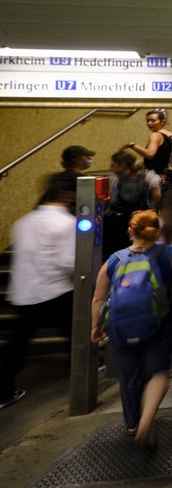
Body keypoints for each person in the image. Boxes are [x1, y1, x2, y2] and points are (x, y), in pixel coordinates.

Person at [91, 210, 172, 445]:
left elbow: (98, 298)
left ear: (130, 230)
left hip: (121, 325)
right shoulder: (169, 255)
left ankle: (133, 424)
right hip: (162, 322)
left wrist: (96, 324)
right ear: (157, 231)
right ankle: (147, 419)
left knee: (129, 375)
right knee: (158, 371)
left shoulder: (114, 260)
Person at [0, 174, 77, 411]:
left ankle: (3, 390)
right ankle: (80, 366)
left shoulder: (25, 221)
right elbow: (68, 261)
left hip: (23, 291)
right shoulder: (66, 222)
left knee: (18, 342)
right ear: (69, 194)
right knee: (75, 329)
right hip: (55, 290)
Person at [104, 150, 156, 259]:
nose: (111, 166)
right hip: (138, 219)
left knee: (117, 253)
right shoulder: (146, 176)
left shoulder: (114, 179)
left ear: (122, 164)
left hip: (118, 222)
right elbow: (157, 196)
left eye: (114, 163)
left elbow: (109, 200)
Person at [126, 109, 172, 190]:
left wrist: (132, 145)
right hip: (168, 177)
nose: (149, 123)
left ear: (162, 122)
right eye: (148, 121)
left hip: (156, 177)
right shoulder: (170, 134)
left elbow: (149, 154)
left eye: (153, 120)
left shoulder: (155, 135)